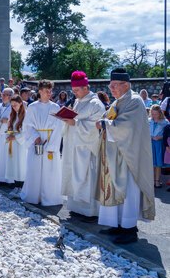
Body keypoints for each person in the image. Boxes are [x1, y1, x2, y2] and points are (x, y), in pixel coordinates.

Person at [95, 68, 155, 244]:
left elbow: (127, 126)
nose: (111, 89)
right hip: (117, 154)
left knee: (128, 190)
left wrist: (105, 124)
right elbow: (110, 118)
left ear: (126, 85)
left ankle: (129, 229)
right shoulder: (118, 101)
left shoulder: (135, 101)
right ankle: (119, 224)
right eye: (110, 86)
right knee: (117, 189)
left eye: (114, 86)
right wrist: (104, 121)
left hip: (130, 155)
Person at [61, 71, 105, 220]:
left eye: (76, 90)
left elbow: (96, 126)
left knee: (87, 177)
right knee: (75, 176)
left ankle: (89, 211)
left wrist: (75, 123)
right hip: (74, 145)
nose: (74, 93)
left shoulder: (95, 103)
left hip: (87, 148)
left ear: (85, 87)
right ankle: (76, 207)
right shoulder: (78, 101)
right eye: (73, 91)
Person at [20, 80, 64, 206]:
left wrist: (51, 145)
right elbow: (27, 125)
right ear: (40, 91)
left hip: (51, 140)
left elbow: (58, 127)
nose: (49, 93)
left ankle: (49, 197)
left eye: (50, 91)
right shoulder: (32, 107)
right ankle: (34, 196)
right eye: (46, 91)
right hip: (37, 141)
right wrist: (35, 137)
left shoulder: (55, 107)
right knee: (35, 168)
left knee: (49, 171)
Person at [149, 104, 168, 188]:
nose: (154, 116)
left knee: (158, 164)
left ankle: (157, 181)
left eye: (156, 114)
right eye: (152, 114)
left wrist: (160, 137)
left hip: (159, 144)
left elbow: (168, 135)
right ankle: (151, 181)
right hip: (150, 143)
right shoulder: (148, 120)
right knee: (151, 163)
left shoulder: (165, 122)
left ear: (160, 113)